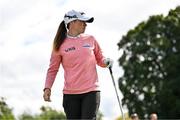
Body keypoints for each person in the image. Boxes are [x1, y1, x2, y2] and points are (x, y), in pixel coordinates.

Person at [43, 10, 113, 120]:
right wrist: (47, 88)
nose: (85, 24)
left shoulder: (91, 39)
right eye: (82, 22)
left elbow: (100, 58)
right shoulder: (59, 44)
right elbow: (53, 69)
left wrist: (106, 62)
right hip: (70, 94)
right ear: (72, 22)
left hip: (91, 90)